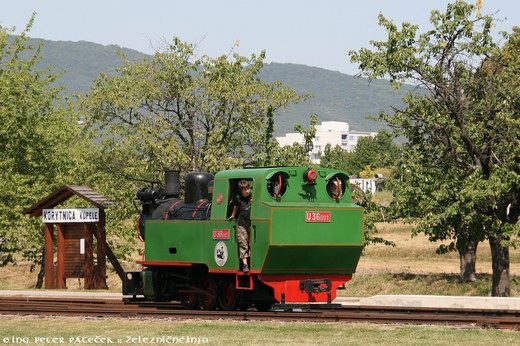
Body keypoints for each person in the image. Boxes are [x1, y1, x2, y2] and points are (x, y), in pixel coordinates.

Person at [227, 180, 252, 273]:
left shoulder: (252, 196)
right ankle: (245, 265)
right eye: (245, 189)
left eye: (248, 188)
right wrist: (233, 215)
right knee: (243, 244)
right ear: (241, 190)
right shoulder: (238, 198)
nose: (247, 190)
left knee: (251, 244)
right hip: (241, 223)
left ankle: (253, 263)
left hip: (252, 223)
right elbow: (236, 207)